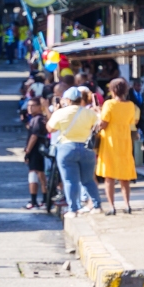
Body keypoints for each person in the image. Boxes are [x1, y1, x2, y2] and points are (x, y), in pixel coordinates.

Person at [46, 87, 101, 217]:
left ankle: (73, 209)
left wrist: (56, 111)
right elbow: (97, 127)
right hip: (87, 148)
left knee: (70, 181)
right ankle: (97, 206)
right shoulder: (89, 113)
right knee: (88, 180)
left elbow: (50, 129)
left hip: (66, 148)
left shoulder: (60, 113)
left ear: (68, 100)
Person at [96, 78, 140, 215]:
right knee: (124, 176)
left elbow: (104, 124)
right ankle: (127, 204)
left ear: (112, 90)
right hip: (125, 142)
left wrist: (98, 114)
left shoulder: (109, 104)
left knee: (109, 176)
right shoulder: (131, 105)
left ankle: (112, 206)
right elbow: (132, 121)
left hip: (110, 141)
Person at [22, 97, 48, 209]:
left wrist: (28, 151)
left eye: (33, 106)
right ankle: (44, 200)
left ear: (39, 107)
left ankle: (34, 201)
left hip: (36, 150)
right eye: (28, 106)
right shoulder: (39, 119)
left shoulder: (37, 119)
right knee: (41, 175)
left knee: (35, 174)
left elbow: (34, 136)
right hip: (41, 150)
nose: (30, 108)